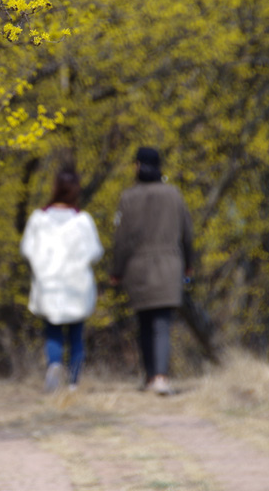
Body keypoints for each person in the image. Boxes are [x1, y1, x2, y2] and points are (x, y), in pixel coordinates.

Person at [110, 147, 194, 395]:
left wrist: (116, 269)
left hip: (138, 268)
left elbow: (120, 239)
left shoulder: (127, 197)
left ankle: (150, 377)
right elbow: (187, 234)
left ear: (137, 166)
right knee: (161, 323)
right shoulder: (174, 195)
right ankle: (161, 376)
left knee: (144, 322)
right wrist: (189, 262)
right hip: (169, 265)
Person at [21, 167, 103, 392]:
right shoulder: (82, 221)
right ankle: (73, 384)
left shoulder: (39, 219)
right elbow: (95, 251)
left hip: (49, 285)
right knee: (76, 334)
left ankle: (54, 365)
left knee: (53, 331)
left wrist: (42, 268)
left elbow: (27, 248)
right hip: (76, 285)